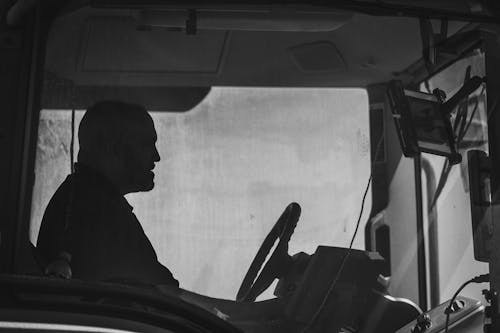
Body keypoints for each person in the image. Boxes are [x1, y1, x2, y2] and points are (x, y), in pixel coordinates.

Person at [37, 100, 178, 286]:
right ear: (113, 148)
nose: (156, 156)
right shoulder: (96, 210)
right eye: (146, 144)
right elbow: (161, 290)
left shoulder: (83, 199)